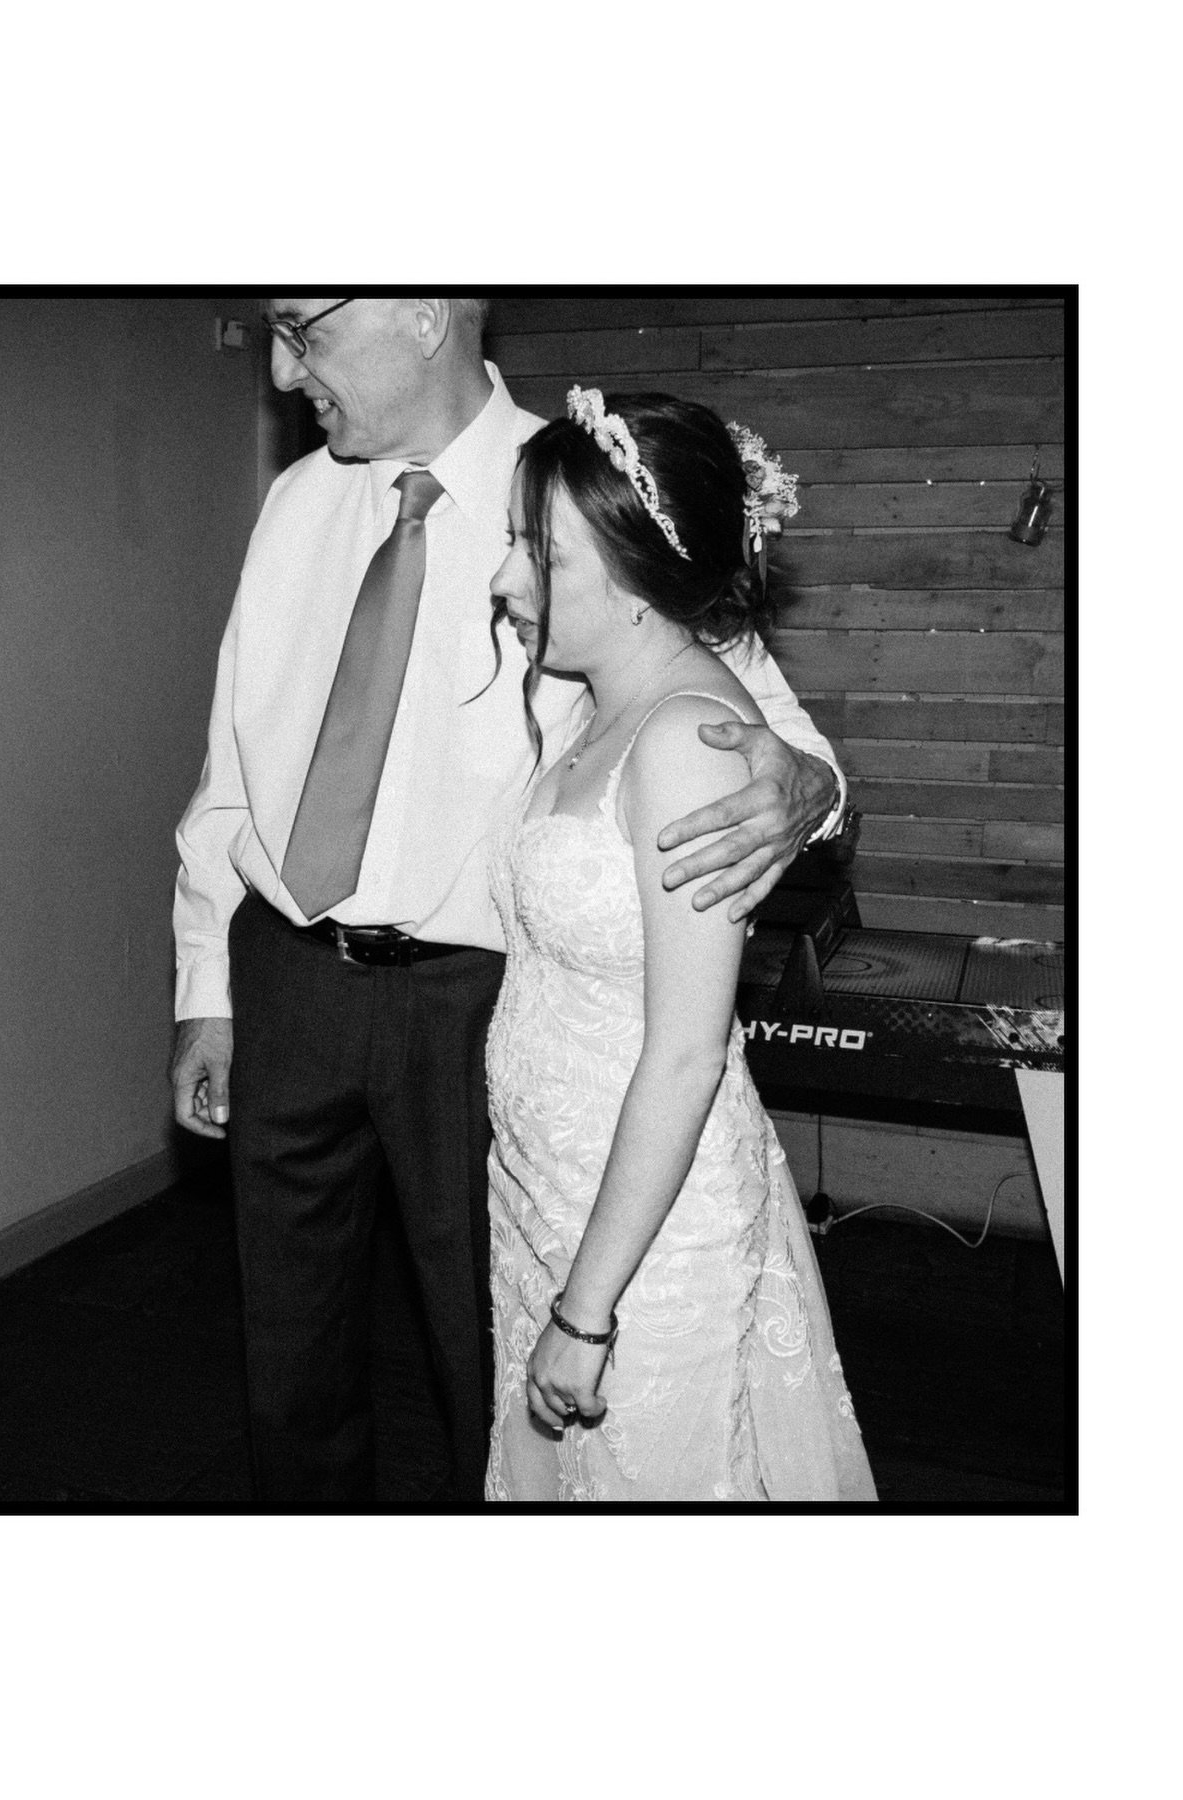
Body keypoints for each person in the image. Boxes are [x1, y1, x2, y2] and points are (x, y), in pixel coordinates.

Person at [171, 300, 847, 1507]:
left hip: (474, 1007)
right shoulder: (294, 506)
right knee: (290, 1359)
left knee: (484, 1354)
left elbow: (772, 739)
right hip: (285, 974)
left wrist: (799, 786)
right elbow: (232, 764)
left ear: (421, 312)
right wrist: (206, 988)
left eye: (301, 328)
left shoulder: (585, 495)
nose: (280, 370)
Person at [484, 388, 876, 1501]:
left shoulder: (689, 741)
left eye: (538, 554)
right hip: (551, 1188)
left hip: (642, 1238)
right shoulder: (589, 703)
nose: (507, 580)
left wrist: (585, 1310)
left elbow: (688, 1051)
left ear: (639, 572)